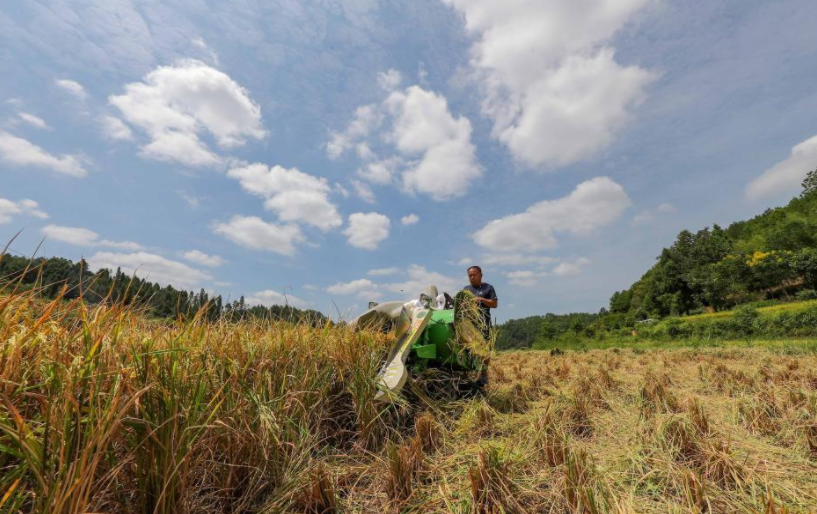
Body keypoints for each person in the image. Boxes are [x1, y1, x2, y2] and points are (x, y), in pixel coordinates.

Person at [463, 265, 497, 388]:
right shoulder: (466, 290)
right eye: (470, 275)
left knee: (485, 351)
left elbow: (494, 304)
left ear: (480, 275)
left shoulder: (488, 288)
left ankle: (483, 374)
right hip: (470, 326)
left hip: (484, 325)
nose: (472, 277)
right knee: (469, 350)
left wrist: (481, 299)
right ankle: (469, 373)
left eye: (474, 275)